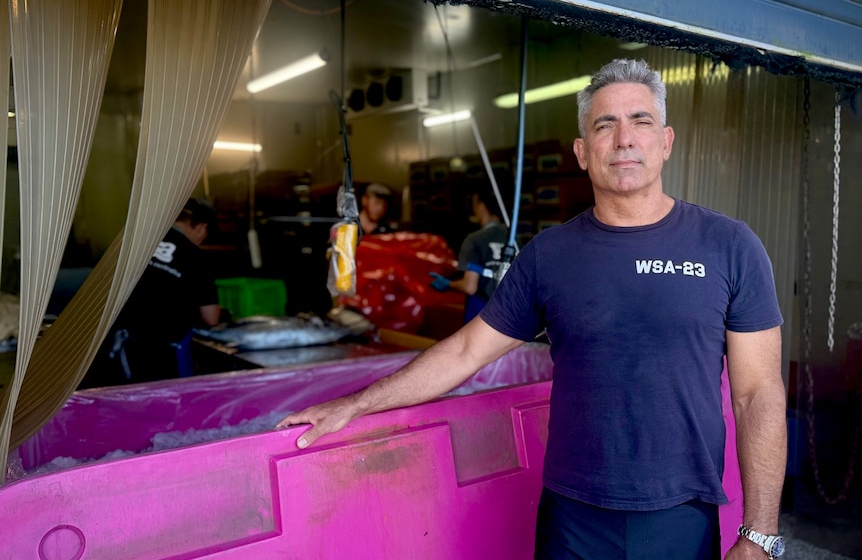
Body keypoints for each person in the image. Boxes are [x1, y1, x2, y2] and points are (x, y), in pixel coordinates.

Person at [276, 59, 786, 560]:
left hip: (680, 512)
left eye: (641, 121)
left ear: (666, 141)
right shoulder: (551, 254)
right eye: (605, 125)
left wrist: (760, 536)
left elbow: (757, 394)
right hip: (572, 517)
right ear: (583, 152)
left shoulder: (729, 246)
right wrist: (357, 403)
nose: (625, 139)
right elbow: (466, 351)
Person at [81, 198, 221, 387]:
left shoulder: (135, 241)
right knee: (163, 406)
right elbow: (211, 318)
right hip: (161, 353)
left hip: (111, 344)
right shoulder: (195, 257)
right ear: (202, 227)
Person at [429, 179, 509, 323]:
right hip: (510, 315)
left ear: (481, 206)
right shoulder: (515, 238)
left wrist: (448, 284)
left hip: (482, 315)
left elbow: (470, 286)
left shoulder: (475, 239)